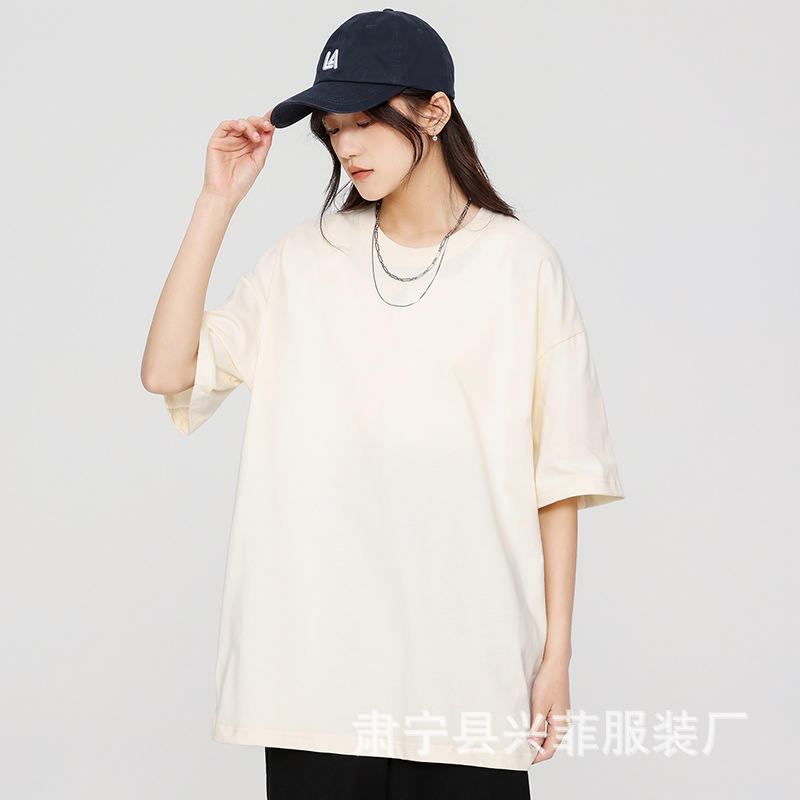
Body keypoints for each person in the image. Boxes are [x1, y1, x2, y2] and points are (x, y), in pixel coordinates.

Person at [141, 9, 624, 800]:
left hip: (465, 676)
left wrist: (556, 657)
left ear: (435, 111)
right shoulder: (304, 260)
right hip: (316, 683)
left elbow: (560, 477)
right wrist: (216, 201)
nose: (346, 146)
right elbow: (167, 370)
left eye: (365, 120)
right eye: (333, 128)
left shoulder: (520, 266)